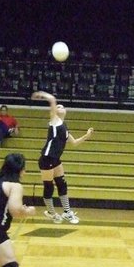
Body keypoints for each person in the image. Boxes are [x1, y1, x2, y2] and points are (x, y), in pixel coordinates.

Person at [31, 90, 94, 224]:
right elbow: (52, 102)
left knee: (62, 184)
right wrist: (44, 95)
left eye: (61, 106)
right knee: (49, 187)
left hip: (55, 159)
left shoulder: (64, 127)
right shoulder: (54, 121)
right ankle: (51, 213)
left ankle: (67, 212)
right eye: (58, 106)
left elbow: (75, 143)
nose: (59, 107)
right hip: (46, 158)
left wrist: (86, 136)